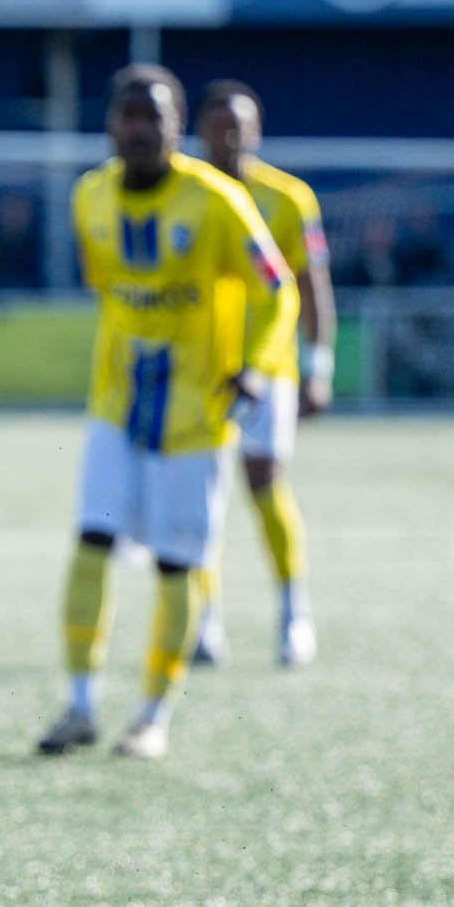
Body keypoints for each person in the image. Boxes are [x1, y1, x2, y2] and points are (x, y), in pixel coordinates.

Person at [35, 65, 296, 761]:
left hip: (195, 415)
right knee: (91, 541)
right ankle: (81, 703)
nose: (141, 130)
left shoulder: (215, 201)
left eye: (156, 117)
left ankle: (152, 715)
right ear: (109, 128)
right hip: (115, 406)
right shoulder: (88, 199)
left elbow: (280, 288)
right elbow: (106, 285)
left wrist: (259, 365)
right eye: (129, 117)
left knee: (176, 567)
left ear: (179, 130)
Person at [191, 81, 334, 668]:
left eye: (240, 125)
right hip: (198, 366)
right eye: (219, 124)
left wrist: (316, 366)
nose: (229, 136)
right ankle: (204, 620)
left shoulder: (289, 198)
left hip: (267, 365)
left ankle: (292, 610)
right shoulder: (186, 192)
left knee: (264, 483)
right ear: (198, 129)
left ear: (258, 131)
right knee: (198, 498)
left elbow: (311, 284)